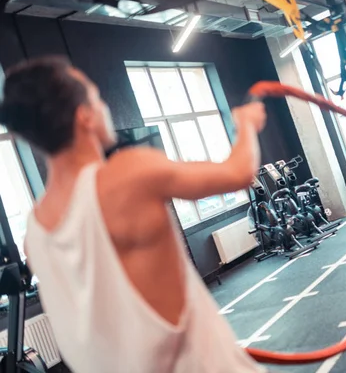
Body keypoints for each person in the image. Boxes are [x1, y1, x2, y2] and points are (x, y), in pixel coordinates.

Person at [0, 56, 267, 373]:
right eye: (97, 97)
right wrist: (247, 125)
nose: (104, 106)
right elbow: (238, 173)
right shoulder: (127, 174)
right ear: (85, 116)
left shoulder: (35, 234)